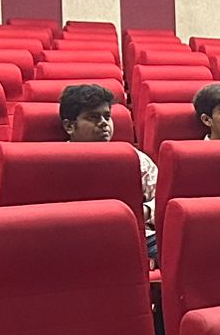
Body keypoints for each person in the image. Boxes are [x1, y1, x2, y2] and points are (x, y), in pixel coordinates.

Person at [61, 83, 158, 256]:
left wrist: (145, 211)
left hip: (136, 236)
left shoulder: (134, 158)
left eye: (107, 116)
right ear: (69, 126)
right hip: (75, 240)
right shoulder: (53, 162)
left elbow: (161, 197)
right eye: (93, 117)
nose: (103, 123)